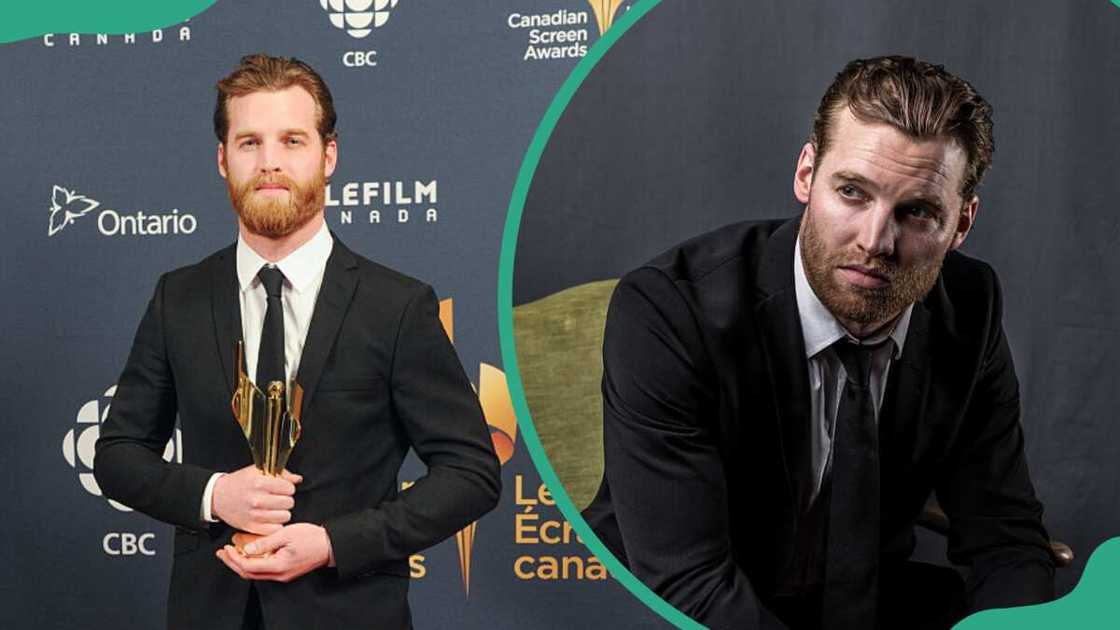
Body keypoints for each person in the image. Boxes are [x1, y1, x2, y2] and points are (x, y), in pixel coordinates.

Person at [583, 55, 1054, 630]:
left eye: (917, 212)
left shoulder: (971, 308)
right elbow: (691, 581)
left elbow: (1004, 539)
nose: (876, 240)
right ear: (807, 175)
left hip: (867, 602)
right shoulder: (671, 312)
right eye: (853, 192)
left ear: (961, 224)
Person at [93, 54, 501, 630]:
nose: (270, 164)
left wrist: (335, 542)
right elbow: (117, 455)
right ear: (222, 159)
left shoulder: (396, 305)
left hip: (351, 613)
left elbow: (471, 472)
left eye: (291, 140)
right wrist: (214, 494)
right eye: (249, 143)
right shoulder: (178, 298)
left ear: (328, 155)